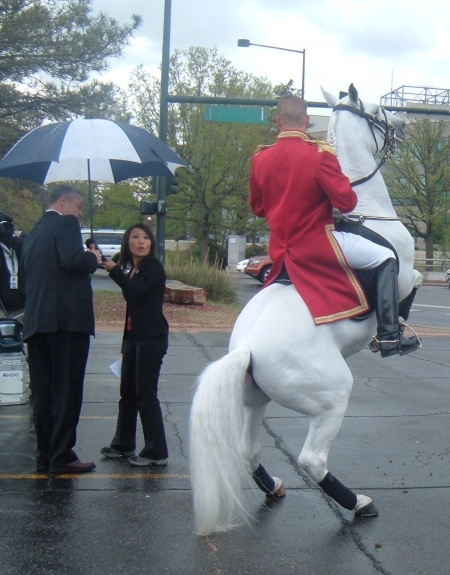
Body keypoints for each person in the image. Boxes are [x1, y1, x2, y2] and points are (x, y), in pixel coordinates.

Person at [249, 95, 419, 358]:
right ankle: (389, 336)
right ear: (307, 120)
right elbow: (348, 203)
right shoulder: (319, 155)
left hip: (281, 250)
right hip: (318, 245)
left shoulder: (261, 158)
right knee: (386, 256)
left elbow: (258, 209)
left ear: (278, 121)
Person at [21, 184, 103, 474]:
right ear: (64, 202)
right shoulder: (65, 223)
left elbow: (25, 281)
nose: (80, 215)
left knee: (43, 393)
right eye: (79, 207)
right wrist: (92, 257)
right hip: (67, 322)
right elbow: (72, 260)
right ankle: (63, 454)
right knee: (67, 390)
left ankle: (45, 453)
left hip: (36, 323)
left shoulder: (32, 234)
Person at [100, 223, 169, 466]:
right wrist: (125, 342)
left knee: (145, 394)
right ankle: (123, 444)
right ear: (127, 243)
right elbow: (133, 301)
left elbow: (136, 293)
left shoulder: (152, 267)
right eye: (135, 237)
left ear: (151, 242)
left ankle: (156, 451)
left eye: (145, 237)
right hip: (133, 338)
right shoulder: (135, 269)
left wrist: (113, 270)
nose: (141, 241)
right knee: (127, 393)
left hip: (152, 338)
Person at [0, 212, 25, 318]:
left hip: (24, 305)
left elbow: (28, 251)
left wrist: (9, 238)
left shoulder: (20, 242)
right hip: (3, 307)